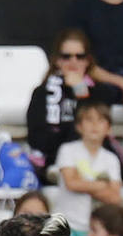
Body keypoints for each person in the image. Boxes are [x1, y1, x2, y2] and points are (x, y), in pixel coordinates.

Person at [26, 28, 114, 175]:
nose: (73, 61)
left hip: (94, 156)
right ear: (57, 60)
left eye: (80, 56)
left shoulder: (101, 92)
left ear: (87, 60)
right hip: (55, 158)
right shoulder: (42, 93)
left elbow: (97, 130)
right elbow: (36, 138)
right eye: (66, 56)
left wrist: (80, 91)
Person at [54, 99, 123, 236]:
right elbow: (71, 184)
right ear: (79, 126)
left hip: (96, 231)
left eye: (100, 120)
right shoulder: (68, 150)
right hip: (67, 227)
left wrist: (82, 182)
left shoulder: (111, 159)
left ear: (109, 128)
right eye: (89, 120)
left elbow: (115, 197)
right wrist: (102, 185)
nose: (94, 125)